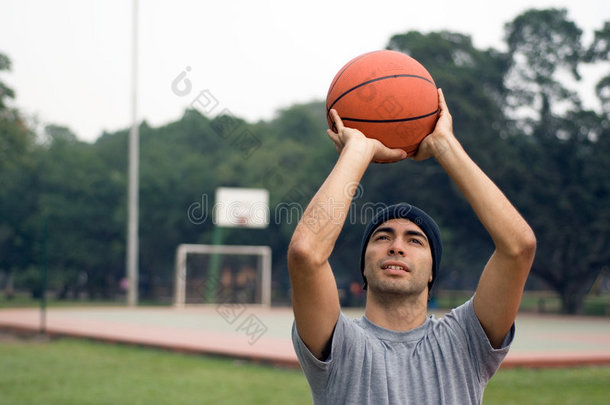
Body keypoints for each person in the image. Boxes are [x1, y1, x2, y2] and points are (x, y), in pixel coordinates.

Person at [287, 89, 536, 405]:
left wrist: (445, 146)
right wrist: (358, 150)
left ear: (434, 271)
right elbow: (306, 253)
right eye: (382, 237)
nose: (396, 247)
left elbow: (519, 247)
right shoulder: (339, 343)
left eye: (415, 240)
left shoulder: (465, 340)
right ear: (363, 266)